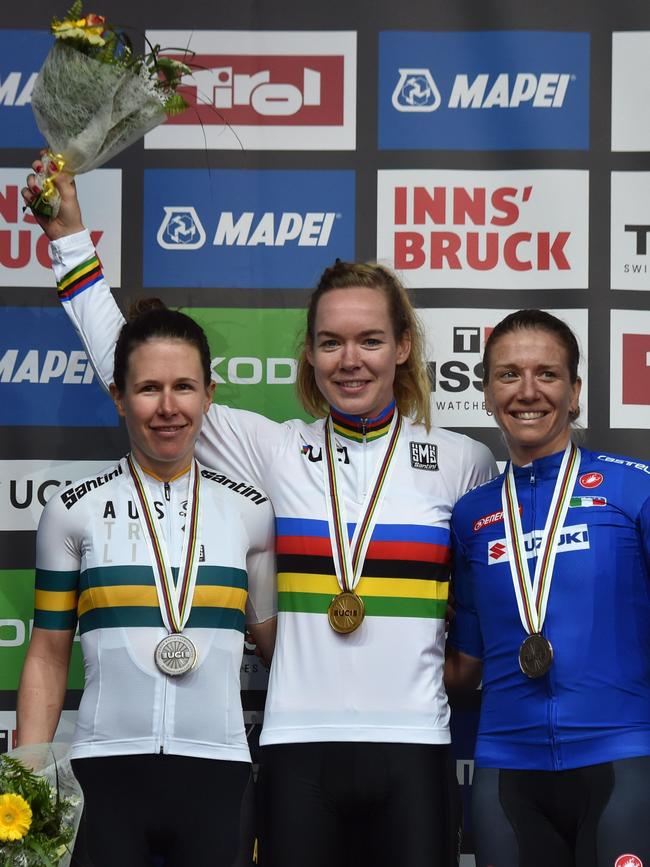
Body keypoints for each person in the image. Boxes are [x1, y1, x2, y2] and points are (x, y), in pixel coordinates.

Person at [23, 166, 497, 867]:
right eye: (330, 341)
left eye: (369, 339)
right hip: (294, 750)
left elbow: (490, 602)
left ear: (403, 347)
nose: (350, 359)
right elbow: (133, 363)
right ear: (309, 352)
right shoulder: (272, 449)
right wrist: (66, 237)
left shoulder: (463, 462)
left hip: (419, 746)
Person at [16, 298, 277, 867]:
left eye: (184, 387)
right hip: (103, 774)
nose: (167, 408)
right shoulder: (72, 510)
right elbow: (47, 652)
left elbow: (277, 644)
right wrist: (26, 777)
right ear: (118, 396)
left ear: (209, 393)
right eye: (147, 389)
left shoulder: (252, 513)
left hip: (220, 774)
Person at [445, 309, 650, 867]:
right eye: (508, 375)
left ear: (575, 390)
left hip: (621, 760)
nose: (528, 392)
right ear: (485, 392)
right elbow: (463, 663)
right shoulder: (471, 514)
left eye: (548, 374)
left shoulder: (634, 491)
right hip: (506, 769)